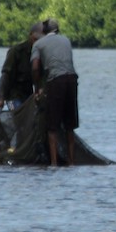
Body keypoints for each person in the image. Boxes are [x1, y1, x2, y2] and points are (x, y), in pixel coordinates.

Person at [31, 18, 79, 165]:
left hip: (55, 82)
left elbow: (35, 67)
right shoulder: (66, 40)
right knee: (69, 125)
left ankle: (54, 162)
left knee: (52, 126)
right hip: (72, 81)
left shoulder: (38, 44)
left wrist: (38, 87)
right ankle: (71, 161)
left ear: (44, 32)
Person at [0, 21, 43, 152]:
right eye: (36, 39)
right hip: (13, 95)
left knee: (30, 124)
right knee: (19, 123)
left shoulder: (39, 54)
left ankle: (24, 148)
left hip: (28, 96)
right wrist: (0, 99)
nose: (38, 42)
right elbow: (5, 76)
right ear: (31, 36)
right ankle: (14, 149)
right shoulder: (16, 52)